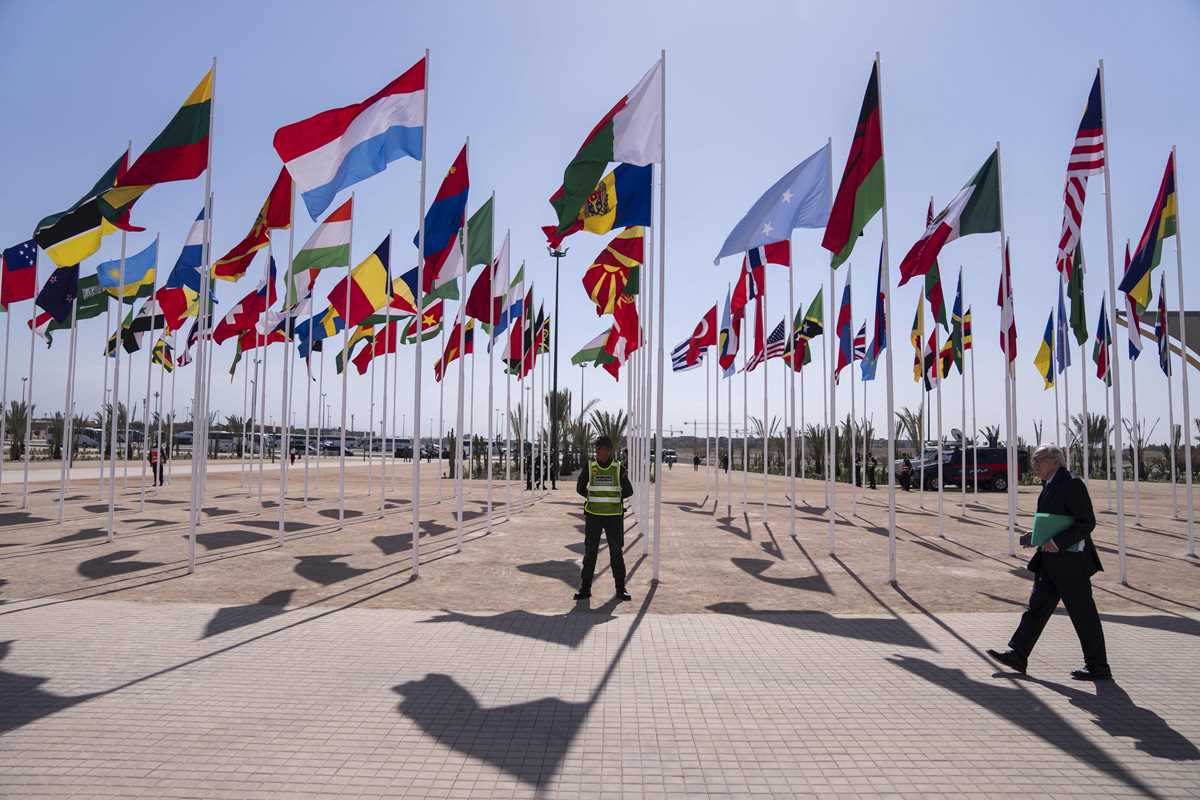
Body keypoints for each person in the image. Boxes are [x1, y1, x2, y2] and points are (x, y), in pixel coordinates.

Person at [988, 445, 1111, 681]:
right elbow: (1054, 520)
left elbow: (1086, 522)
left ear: (1055, 461)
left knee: (1083, 615)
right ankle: (1018, 654)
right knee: (1036, 610)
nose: (1034, 464)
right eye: (1034, 460)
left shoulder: (1071, 483)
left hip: (1071, 564)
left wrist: (1057, 542)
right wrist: (1035, 535)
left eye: (1039, 459)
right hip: (1050, 562)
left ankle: (1098, 666)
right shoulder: (1050, 484)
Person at [575, 435, 634, 602]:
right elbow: (580, 487)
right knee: (590, 553)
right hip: (594, 516)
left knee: (616, 553)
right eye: (598, 449)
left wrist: (614, 498)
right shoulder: (590, 466)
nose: (599, 453)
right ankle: (585, 589)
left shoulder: (618, 468)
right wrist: (591, 496)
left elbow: (629, 491)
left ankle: (620, 589)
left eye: (602, 450)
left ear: (609, 451)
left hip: (613, 518)